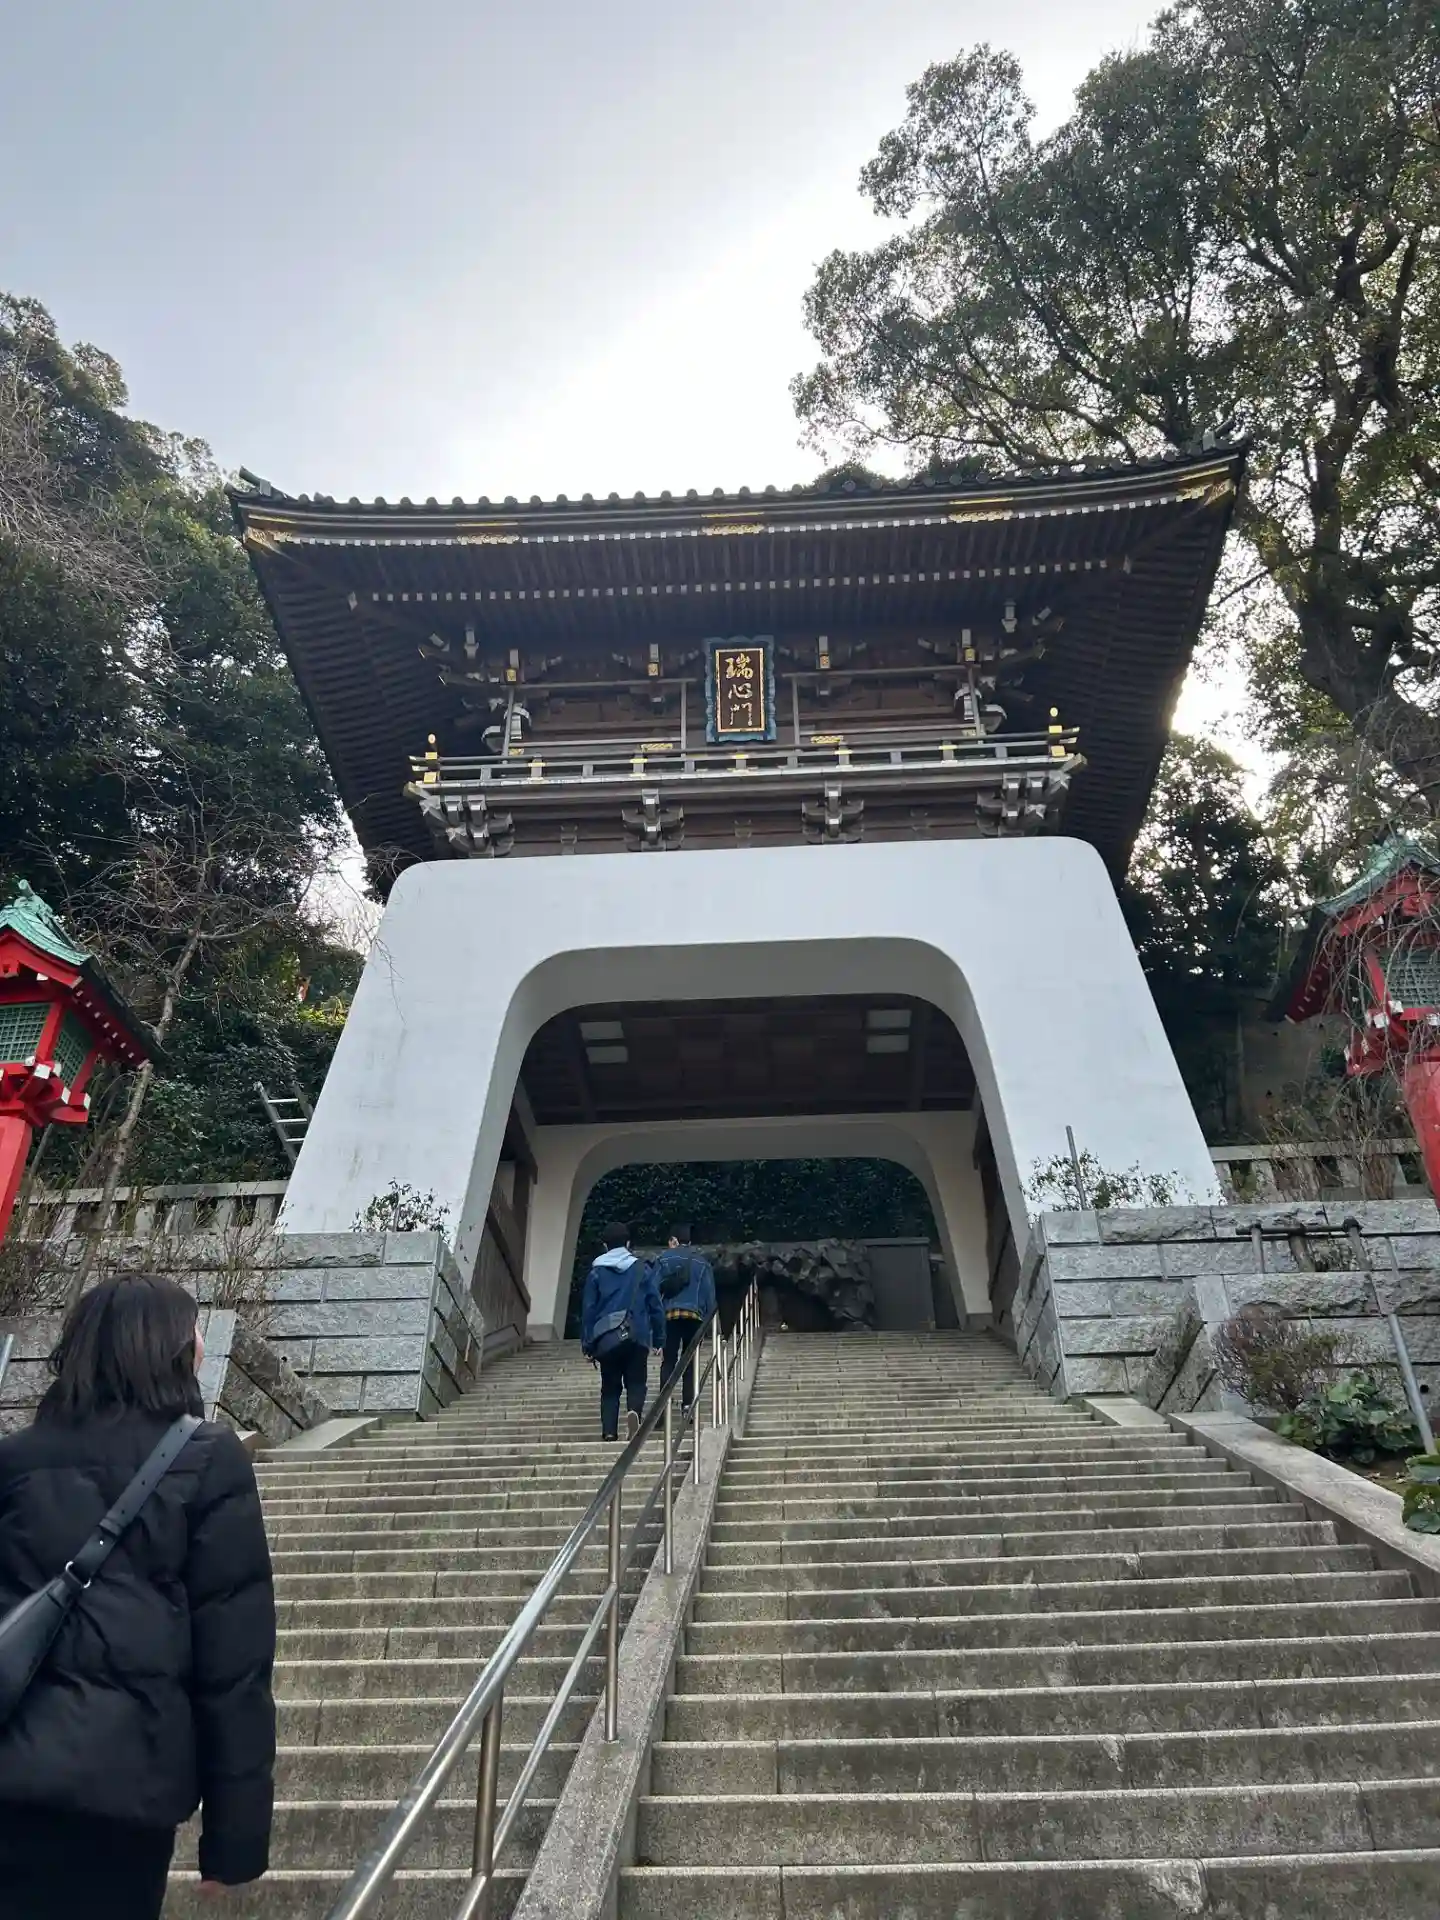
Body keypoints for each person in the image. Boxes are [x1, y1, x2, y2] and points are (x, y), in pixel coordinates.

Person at [0, 1274, 277, 1920]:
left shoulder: (16, 1459)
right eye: (194, 1329)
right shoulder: (207, 1459)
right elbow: (234, 1663)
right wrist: (234, 1839)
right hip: (124, 1793)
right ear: (167, 1346)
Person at [580, 1222, 665, 1441]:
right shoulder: (642, 1269)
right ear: (628, 1244)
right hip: (637, 1334)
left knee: (609, 1387)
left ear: (605, 1245)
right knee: (636, 1381)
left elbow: (589, 1310)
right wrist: (659, 1339)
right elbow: (655, 1305)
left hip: (606, 1337)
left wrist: (587, 1344)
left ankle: (609, 1432)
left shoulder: (596, 1272)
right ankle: (634, 1412)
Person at [653, 1226, 716, 1413]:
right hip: (694, 1316)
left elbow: (652, 1292)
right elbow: (709, 1296)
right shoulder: (702, 1263)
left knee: (668, 1360)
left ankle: (663, 1407)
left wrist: (653, 1329)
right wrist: (709, 1324)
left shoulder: (663, 1259)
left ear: (674, 1240)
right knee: (690, 1361)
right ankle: (688, 1405)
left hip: (669, 1316)